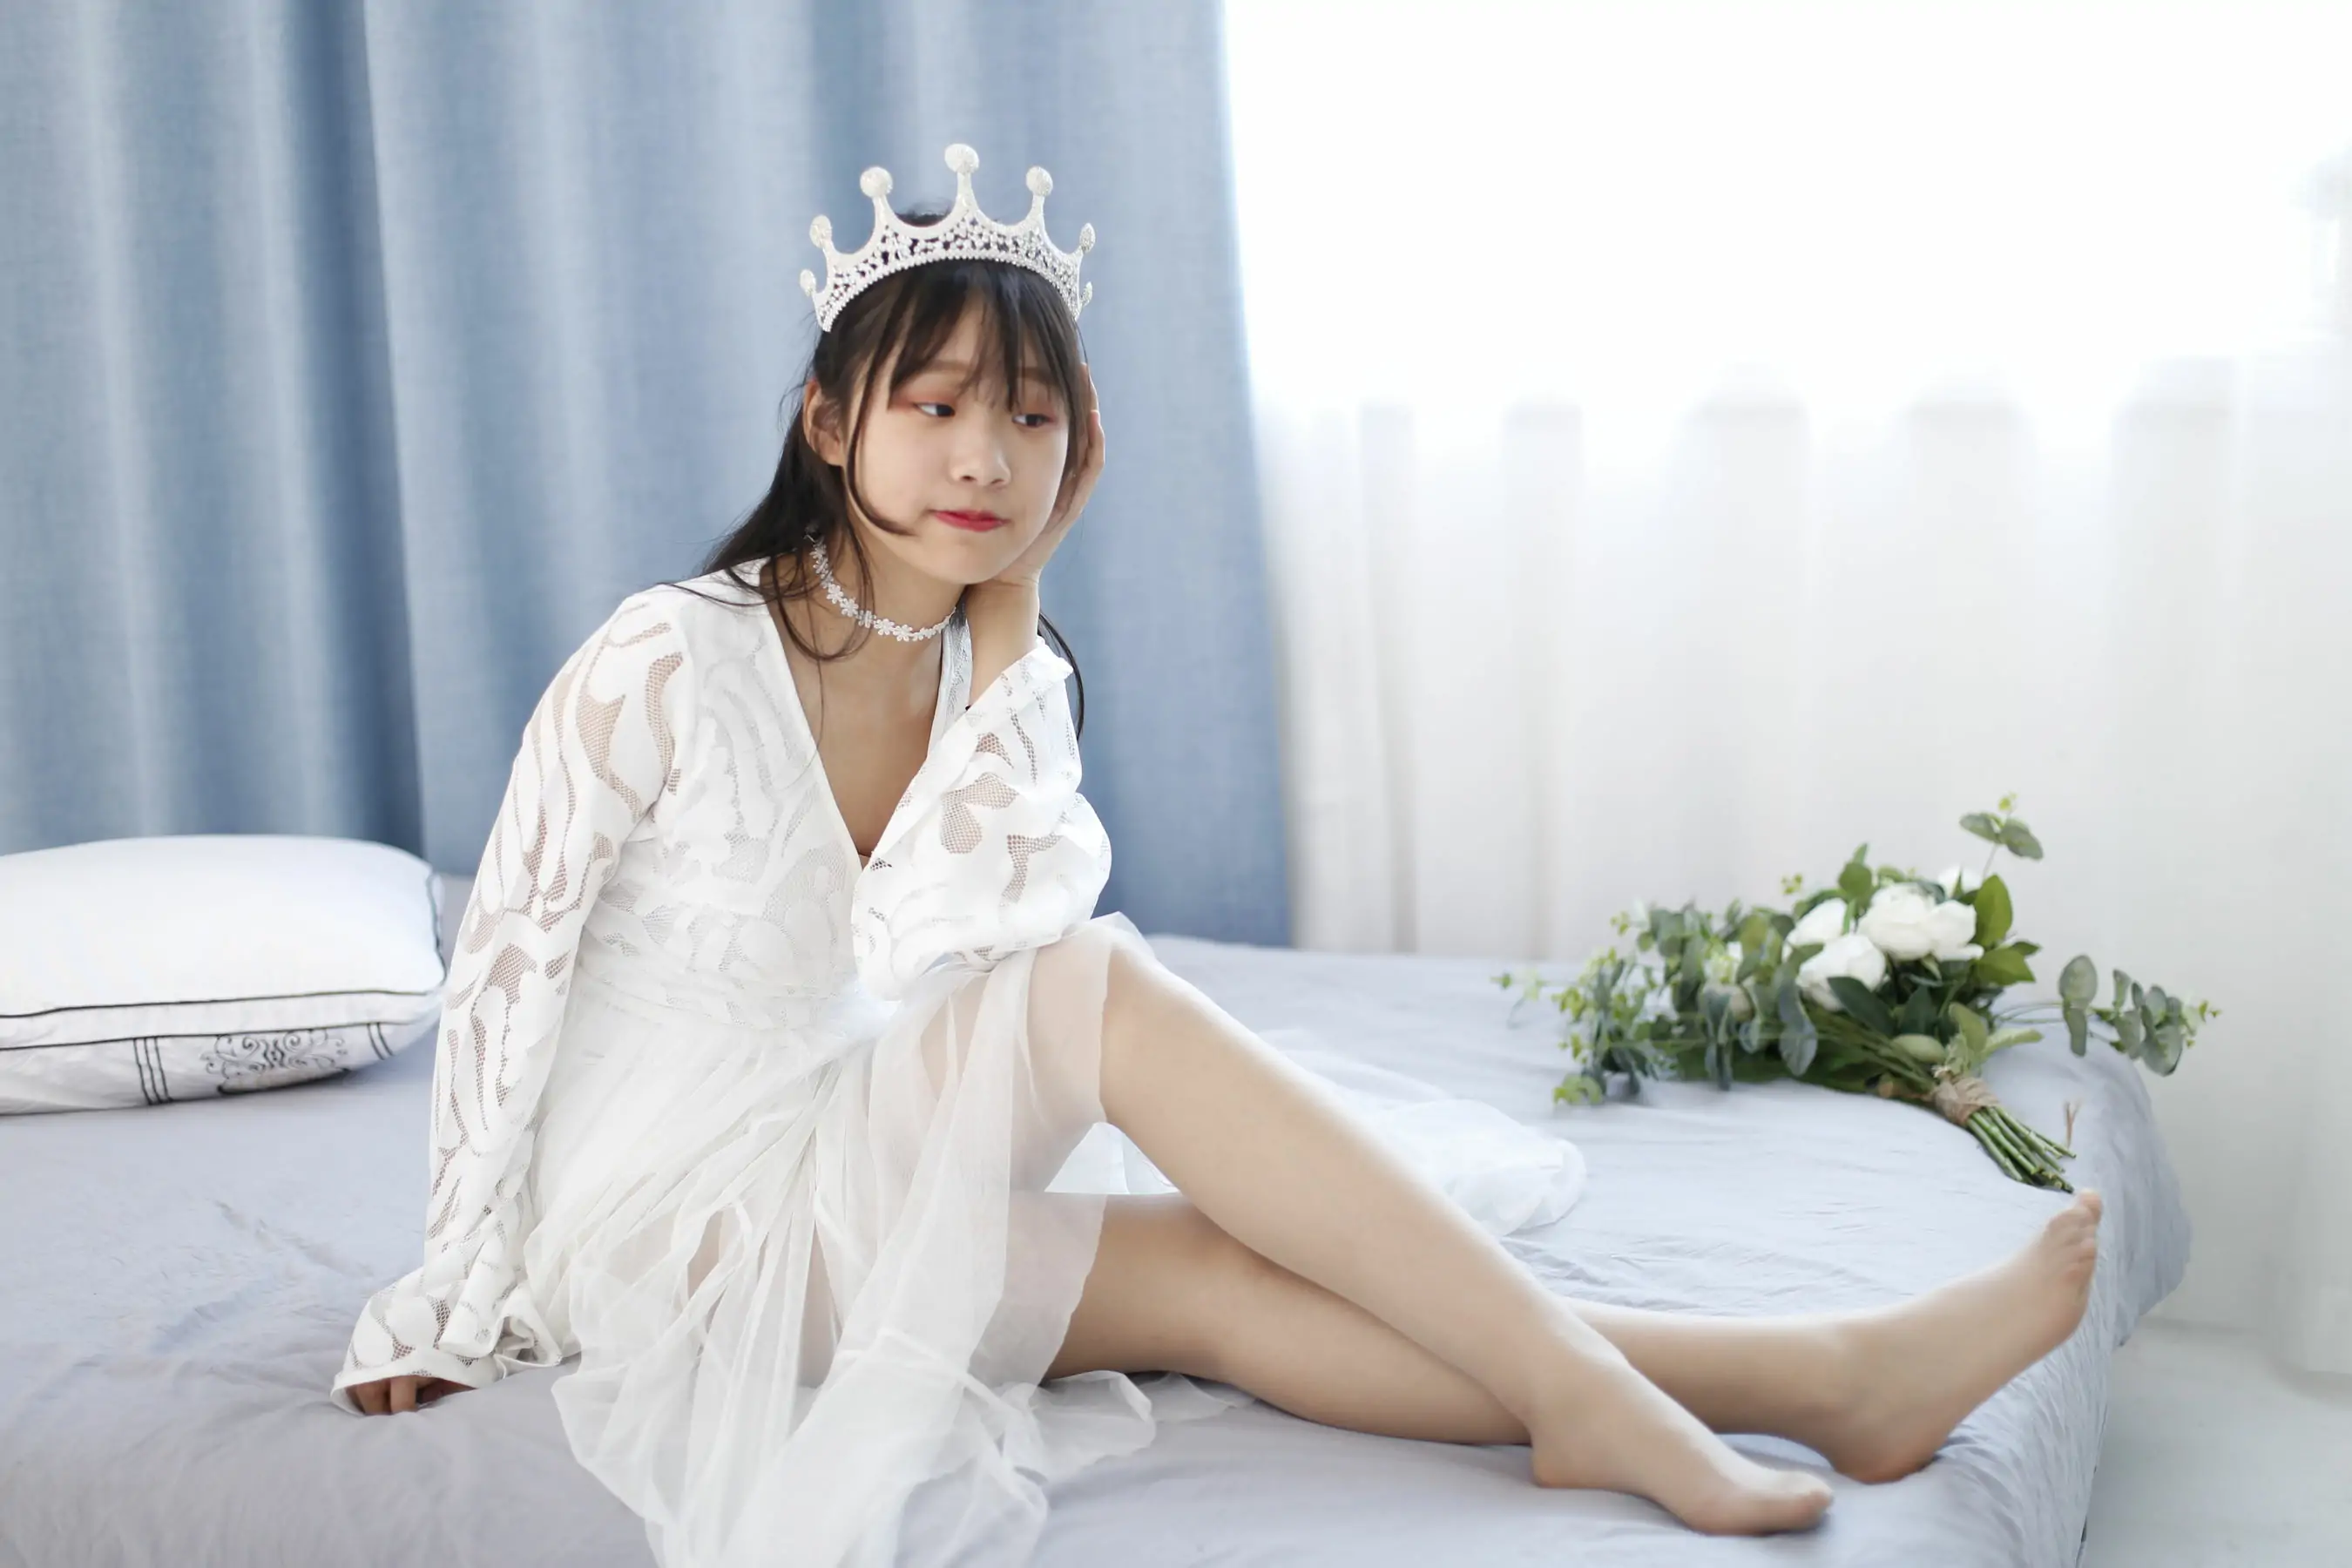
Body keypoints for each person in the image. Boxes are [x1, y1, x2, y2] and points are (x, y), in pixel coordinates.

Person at [334, 145, 2104, 1566]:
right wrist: (444, 1295)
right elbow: (503, 971)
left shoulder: (991, 666)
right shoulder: (667, 656)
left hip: (839, 1132)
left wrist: (1012, 610)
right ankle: (1626, 1393)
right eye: (935, 406)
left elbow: (977, 930)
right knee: (1114, 1021)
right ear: (826, 420)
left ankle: (1822, 1378)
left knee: (1209, 1269)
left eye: (1034, 418)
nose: (985, 456)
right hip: (664, 1222)